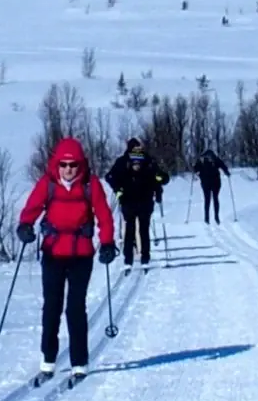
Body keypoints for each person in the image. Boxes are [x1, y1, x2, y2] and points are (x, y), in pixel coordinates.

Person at [16, 137, 117, 381]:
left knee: (75, 307)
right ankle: (48, 359)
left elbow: (104, 216)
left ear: (80, 164)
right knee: (52, 306)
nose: (68, 169)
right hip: (53, 253)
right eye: (63, 164)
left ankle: (79, 362)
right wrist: (25, 226)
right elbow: (32, 207)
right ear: (57, 164)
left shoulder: (90, 184)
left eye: (73, 165)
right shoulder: (48, 184)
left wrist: (107, 243)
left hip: (81, 254)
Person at [104, 137, 169, 268]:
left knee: (133, 229)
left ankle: (132, 258)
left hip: (135, 200)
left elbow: (110, 177)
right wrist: (118, 189)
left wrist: (118, 189)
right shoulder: (143, 160)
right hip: (137, 200)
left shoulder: (127, 161)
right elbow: (162, 177)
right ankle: (141, 257)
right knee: (139, 229)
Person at [195, 148, 231, 224]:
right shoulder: (209, 159)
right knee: (212, 199)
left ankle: (211, 218)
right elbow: (223, 166)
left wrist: (227, 172)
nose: (209, 158)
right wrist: (227, 172)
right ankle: (212, 218)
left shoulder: (207, 159)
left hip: (211, 182)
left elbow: (196, 169)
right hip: (211, 182)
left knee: (210, 199)